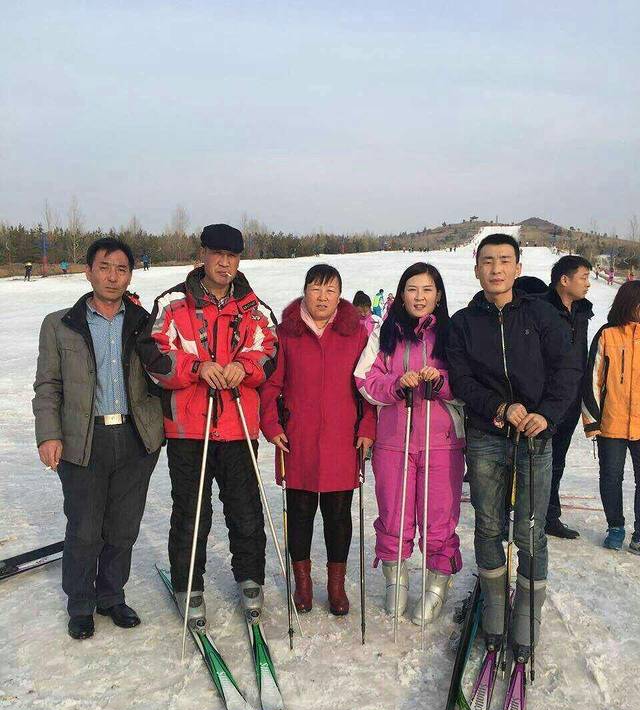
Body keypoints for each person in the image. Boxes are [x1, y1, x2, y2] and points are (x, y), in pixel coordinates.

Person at [447, 233, 580, 660]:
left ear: (518, 268)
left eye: (505, 260)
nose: (496, 268)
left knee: (530, 531)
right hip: (488, 435)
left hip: (534, 437)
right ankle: (494, 611)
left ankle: (526, 615)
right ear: (477, 269)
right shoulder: (465, 323)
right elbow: (462, 379)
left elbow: (567, 367)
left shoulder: (541, 315)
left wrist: (548, 415)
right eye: (488, 261)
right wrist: (500, 405)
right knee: (488, 526)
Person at [138, 224, 278, 623]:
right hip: (189, 430)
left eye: (232, 256)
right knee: (191, 513)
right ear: (203, 255)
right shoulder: (173, 303)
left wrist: (242, 368)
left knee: (245, 511)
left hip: (237, 428)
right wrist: (197, 368)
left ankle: (250, 579)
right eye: (217, 254)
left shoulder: (255, 308)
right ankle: (188, 584)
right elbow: (155, 357)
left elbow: (269, 352)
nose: (225, 263)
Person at [33, 238, 164, 640]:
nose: (112, 276)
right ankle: (81, 604)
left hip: (135, 437)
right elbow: (48, 386)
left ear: (130, 274)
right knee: (85, 528)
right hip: (82, 439)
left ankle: (111, 596)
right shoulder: (60, 324)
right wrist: (49, 434)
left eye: (121, 269)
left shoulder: (145, 322)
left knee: (123, 527)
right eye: (104, 267)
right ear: (88, 271)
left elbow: (164, 376)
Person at [259, 264, 376, 616]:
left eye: (330, 290)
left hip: (343, 440)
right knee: (300, 514)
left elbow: (367, 388)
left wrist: (367, 427)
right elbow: (272, 386)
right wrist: (271, 424)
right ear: (304, 291)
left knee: (338, 516)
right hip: (299, 440)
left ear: (340, 294)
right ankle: (304, 584)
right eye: (315, 288)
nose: (322, 297)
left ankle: (336, 587)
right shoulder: (286, 334)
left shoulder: (355, 335)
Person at [355, 263, 465, 623]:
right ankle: (396, 579)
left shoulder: (451, 334)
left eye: (427, 290)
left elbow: (467, 384)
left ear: (438, 295)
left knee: (438, 516)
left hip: (441, 440)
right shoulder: (384, 333)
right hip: (393, 439)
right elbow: (364, 378)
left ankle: (437, 585)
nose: (419, 297)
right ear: (401, 293)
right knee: (394, 513)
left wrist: (441, 380)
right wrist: (396, 385)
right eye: (412, 289)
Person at [583, 280, 640, 553]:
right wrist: (592, 421)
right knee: (610, 477)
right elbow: (592, 379)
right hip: (612, 423)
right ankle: (615, 526)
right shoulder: (608, 334)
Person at [543, 255, 593, 538]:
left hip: (571, 399)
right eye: (584, 277)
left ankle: (550, 516)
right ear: (565, 280)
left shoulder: (583, 311)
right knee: (531, 460)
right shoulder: (539, 308)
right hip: (543, 399)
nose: (587, 283)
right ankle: (514, 513)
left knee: (558, 459)